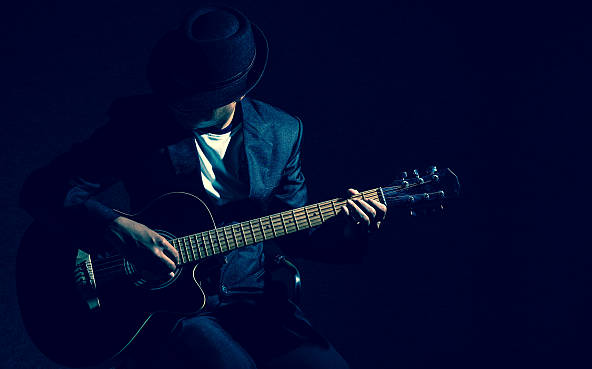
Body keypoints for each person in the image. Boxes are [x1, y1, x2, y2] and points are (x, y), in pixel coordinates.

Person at [20, 5, 387, 369]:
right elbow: (43, 190)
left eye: (195, 101)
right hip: (170, 307)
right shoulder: (139, 124)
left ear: (237, 92)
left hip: (253, 298)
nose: (178, 105)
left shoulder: (282, 132)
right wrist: (117, 229)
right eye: (174, 93)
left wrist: (349, 228)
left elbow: (295, 231)